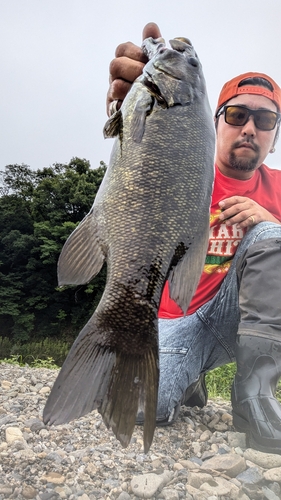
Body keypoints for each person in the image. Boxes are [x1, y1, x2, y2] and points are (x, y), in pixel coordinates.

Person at [107, 22, 281, 454]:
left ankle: (255, 394)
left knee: (272, 233)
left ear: (274, 136)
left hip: (243, 324)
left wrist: (269, 224)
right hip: (171, 320)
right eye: (238, 115)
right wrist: (132, 116)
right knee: (143, 408)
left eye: (265, 120)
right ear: (213, 121)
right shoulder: (178, 169)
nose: (250, 128)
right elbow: (133, 180)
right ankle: (187, 377)